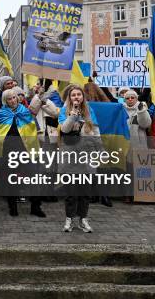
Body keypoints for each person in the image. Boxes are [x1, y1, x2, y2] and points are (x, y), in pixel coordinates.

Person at [0, 88, 46, 218]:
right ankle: (13, 206)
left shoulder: (24, 111)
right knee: (12, 178)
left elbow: (31, 128)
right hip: (9, 150)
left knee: (33, 177)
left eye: (14, 97)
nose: (13, 100)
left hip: (27, 148)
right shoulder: (2, 113)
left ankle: (36, 206)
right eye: (9, 99)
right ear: (5, 101)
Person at [58, 85, 102, 233]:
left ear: (83, 97)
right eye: (73, 95)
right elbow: (64, 129)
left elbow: (96, 132)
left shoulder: (90, 111)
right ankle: (69, 219)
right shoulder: (64, 110)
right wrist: (73, 115)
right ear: (69, 98)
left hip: (87, 155)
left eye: (79, 94)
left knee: (85, 190)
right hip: (70, 155)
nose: (76, 97)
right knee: (71, 191)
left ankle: (83, 219)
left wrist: (99, 150)